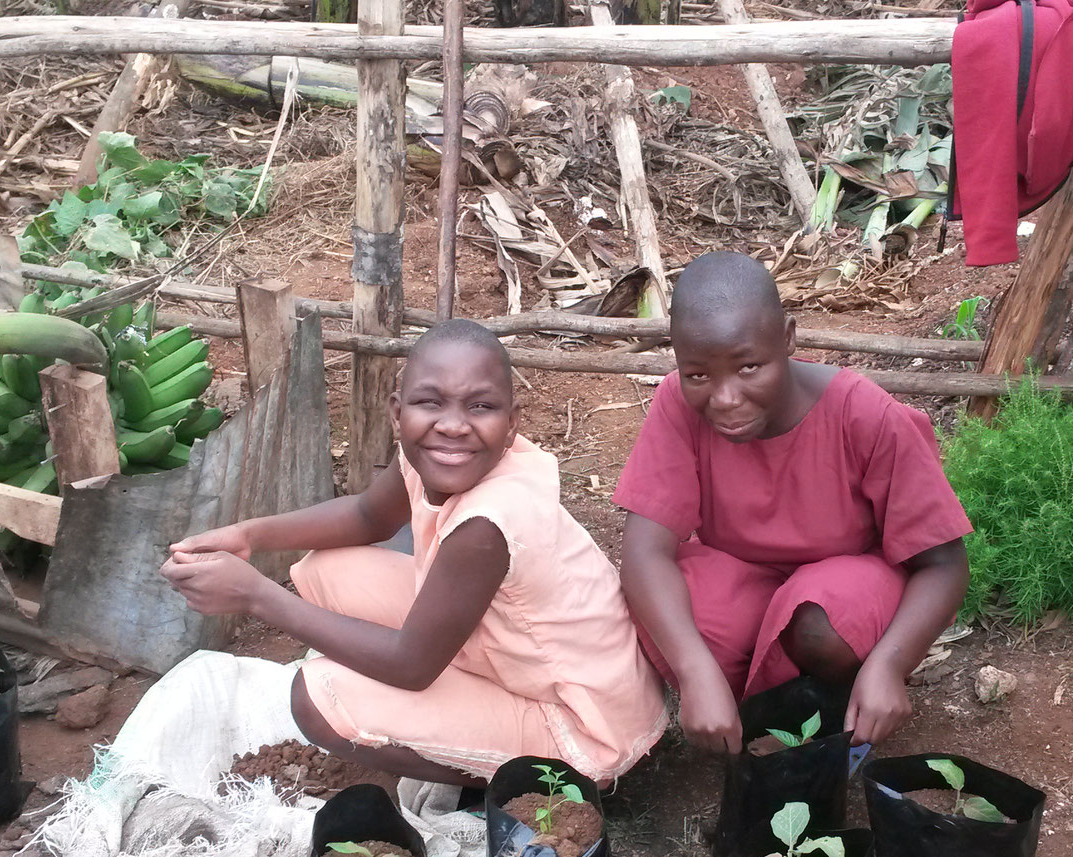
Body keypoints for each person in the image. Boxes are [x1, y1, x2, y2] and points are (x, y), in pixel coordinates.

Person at [162, 319, 666, 788]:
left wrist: (256, 596)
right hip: (523, 653)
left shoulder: (487, 525)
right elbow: (367, 517)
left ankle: (535, 782)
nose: (452, 426)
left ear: (512, 423)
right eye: (430, 403)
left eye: (480, 407)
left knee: (317, 699)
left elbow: (411, 666)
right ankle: (472, 710)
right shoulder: (431, 458)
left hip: (583, 724)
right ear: (396, 411)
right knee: (327, 569)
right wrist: (249, 536)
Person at [614, 251, 974, 753]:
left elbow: (944, 562)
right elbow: (645, 550)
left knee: (817, 624)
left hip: (847, 588)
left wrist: (891, 663)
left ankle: (837, 706)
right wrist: (695, 671)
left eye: (749, 367)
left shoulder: (866, 416)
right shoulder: (677, 402)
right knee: (674, 612)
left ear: (787, 338)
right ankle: (753, 710)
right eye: (698, 374)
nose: (725, 398)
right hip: (746, 577)